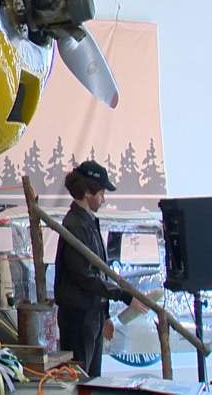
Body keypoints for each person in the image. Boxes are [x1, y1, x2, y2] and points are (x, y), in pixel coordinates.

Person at [53, 160, 146, 377]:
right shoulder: (75, 225)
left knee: (92, 380)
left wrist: (104, 315)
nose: (104, 199)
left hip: (91, 314)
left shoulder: (87, 222)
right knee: (79, 380)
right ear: (87, 192)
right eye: (102, 193)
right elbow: (85, 276)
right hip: (78, 317)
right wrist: (124, 295)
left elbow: (98, 271)